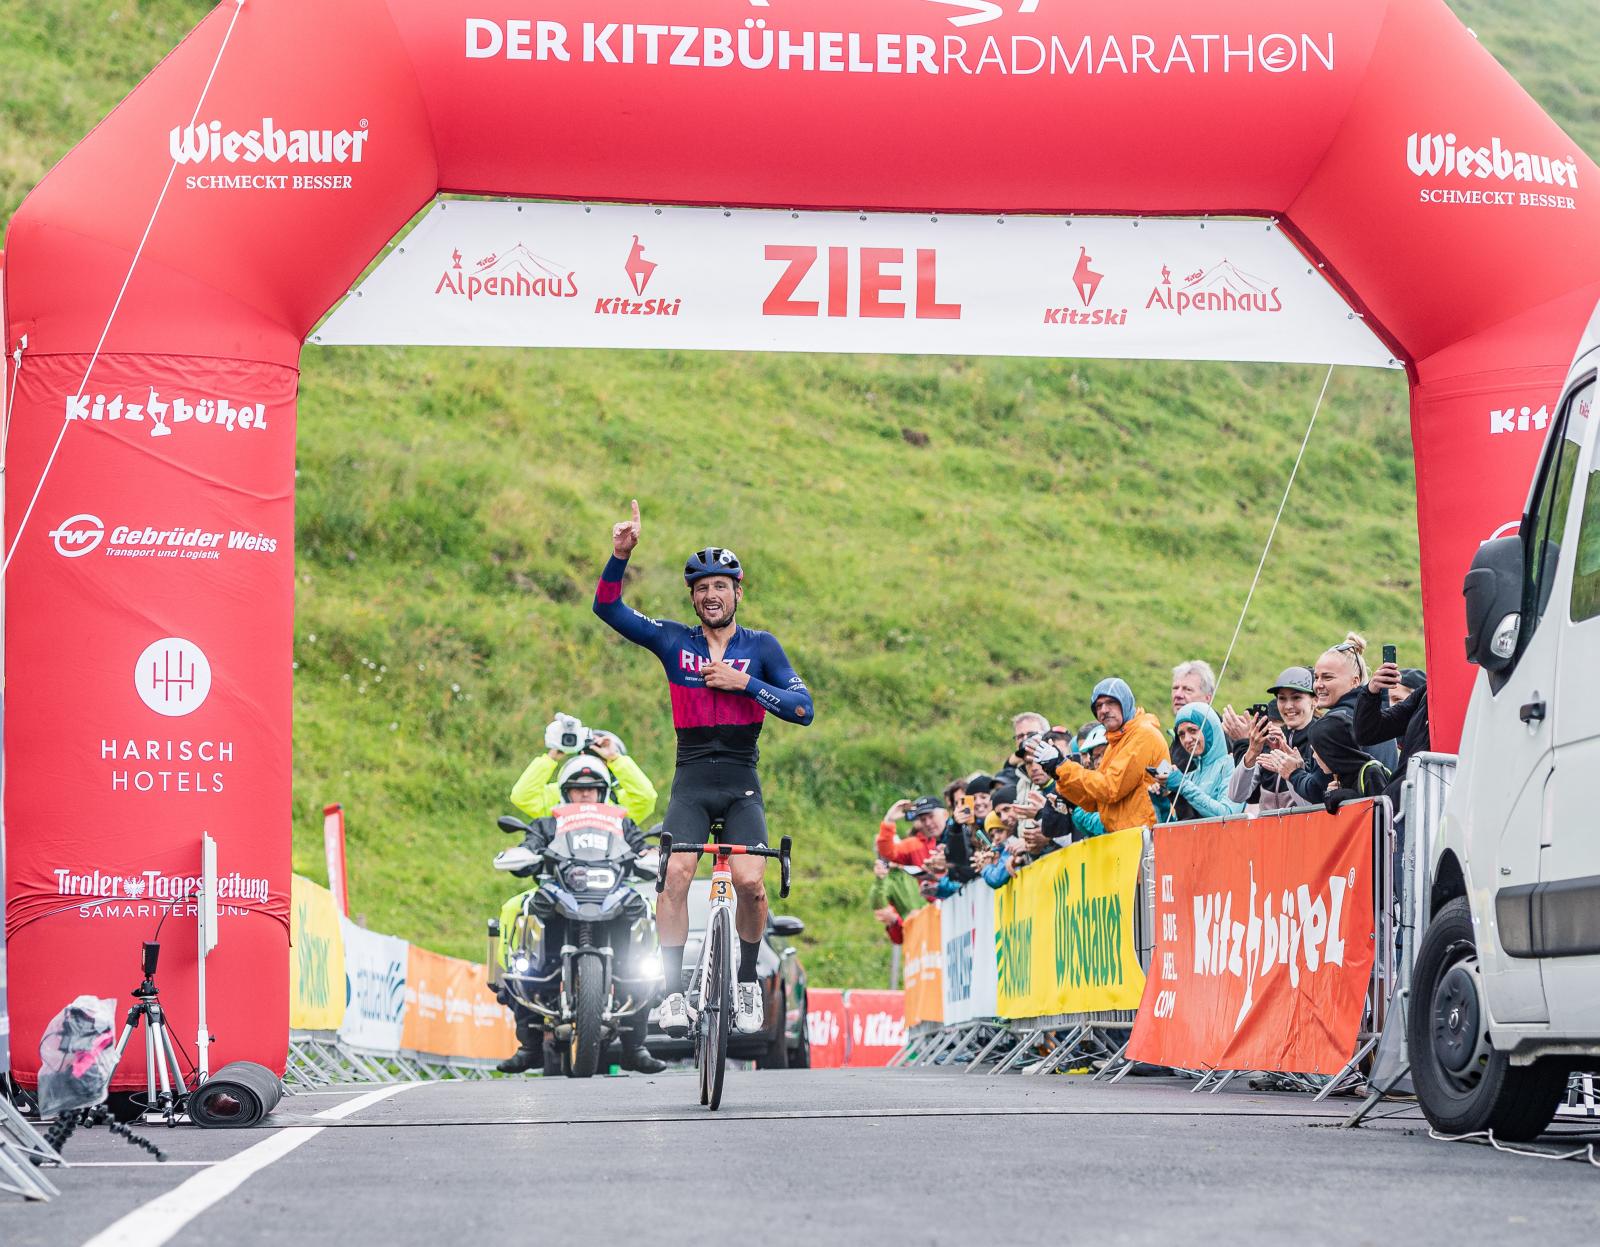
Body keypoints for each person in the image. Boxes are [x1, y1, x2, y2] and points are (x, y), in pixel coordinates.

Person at [593, 500, 814, 1039]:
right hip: (691, 778)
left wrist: (747, 686)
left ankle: (742, 982)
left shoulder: (761, 648)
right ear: (693, 598)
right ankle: (671, 995)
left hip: (741, 781)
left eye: (721, 586)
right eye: (701, 588)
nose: (711, 595)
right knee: (674, 877)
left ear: (738, 593)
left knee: (751, 884)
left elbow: (803, 709)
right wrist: (619, 556)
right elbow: (608, 609)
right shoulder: (674, 641)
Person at [496, 756, 667, 1074]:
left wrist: (652, 855)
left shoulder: (622, 823)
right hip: (559, 896)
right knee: (525, 952)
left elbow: (643, 846)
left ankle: (635, 1047)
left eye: (592, 790)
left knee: (643, 954)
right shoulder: (548, 823)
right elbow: (530, 843)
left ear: (603, 793)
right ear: (565, 792)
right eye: (577, 789)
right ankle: (529, 1047)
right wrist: (523, 853)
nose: (585, 795)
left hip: (613, 896)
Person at [1032, 678, 1169, 833]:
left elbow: (1110, 787)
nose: (1104, 710)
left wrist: (1061, 766)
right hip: (1128, 837)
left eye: (1110, 702)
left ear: (1125, 702)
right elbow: (1095, 802)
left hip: (1147, 837)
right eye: (1098, 706)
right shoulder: (1115, 742)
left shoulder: (1143, 734)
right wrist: (1060, 777)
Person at [509, 720, 657, 824]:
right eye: (586, 757)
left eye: (601, 761)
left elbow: (647, 797)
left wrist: (614, 758)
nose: (585, 793)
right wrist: (551, 757)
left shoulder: (617, 801)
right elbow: (521, 796)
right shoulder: (559, 795)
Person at [1228, 668, 1317, 812]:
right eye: (1282, 698)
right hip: (1268, 832)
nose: (1288, 706)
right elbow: (1236, 796)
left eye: (1296, 698)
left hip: (1306, 831)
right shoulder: (1270, 740)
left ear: (1315, 700)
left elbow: (1312, 807)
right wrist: (1252, 751)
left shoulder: (1321, 740)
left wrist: (1292, 772)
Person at [1354, 663, 1430, 805]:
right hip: (1401, 804)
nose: (1391, 705)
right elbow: (1367, 732)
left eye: (1397, 700)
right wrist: (1372, 691)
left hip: (1431, 804)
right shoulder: (1425, 694)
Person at [1157, 703, 1246, 821]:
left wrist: (1184, 785)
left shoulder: (1232, 765)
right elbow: (1180, 829)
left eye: (1192, 730)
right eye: (1181, 734)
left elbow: (1228, 814)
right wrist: (1161, 803)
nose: (1187, 740)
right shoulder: (1190, 776)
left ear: (1209, 730)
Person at [876, 796, 947, 867]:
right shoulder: (913, 844)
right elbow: (888, 853)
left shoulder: (956, 836)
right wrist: (889, 820)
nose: (927, 823)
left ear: (945, 814)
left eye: (931, 816)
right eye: (922, 819)